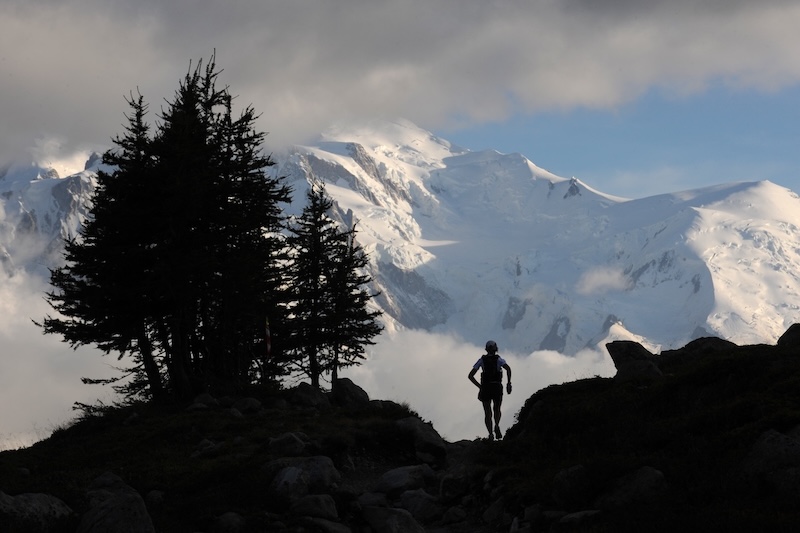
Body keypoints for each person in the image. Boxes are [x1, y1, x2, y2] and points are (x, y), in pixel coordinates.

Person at [468, 340, 512, 441]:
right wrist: (509, 383)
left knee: (487, 412)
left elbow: (470, 376)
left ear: (486, 349)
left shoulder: (482, 360)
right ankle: (496, 425)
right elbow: (508, 369)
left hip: (485, 388)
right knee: (497, 409)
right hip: (497, 387)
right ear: (495, 348)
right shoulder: (499, 360)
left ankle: (490, 434)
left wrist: (480, 386)